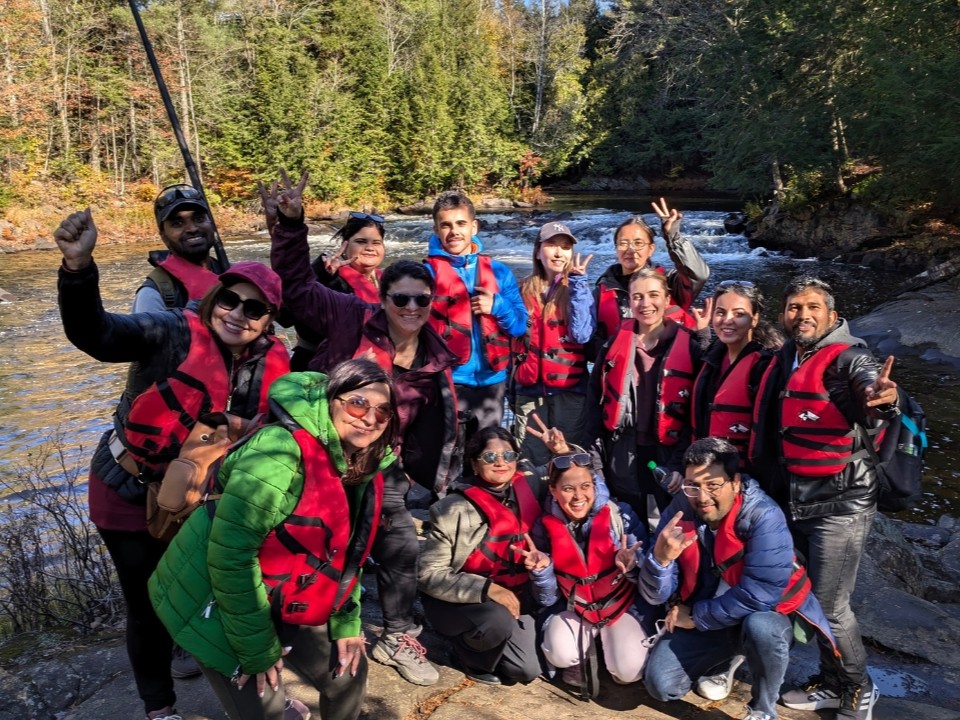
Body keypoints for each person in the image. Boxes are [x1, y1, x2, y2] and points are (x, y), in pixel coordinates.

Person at [54, 208, 289, 720]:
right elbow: (96, 334)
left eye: (254, 309)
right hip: (126, 488)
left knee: (217, 593)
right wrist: (77, 269)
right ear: (214, 298)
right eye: (229, 300)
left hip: (197, 498)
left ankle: (255, 699)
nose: (238, 314)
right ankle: (159, 709)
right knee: (146, 606)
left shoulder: (271, 363)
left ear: (268, 321)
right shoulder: (169, 330)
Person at [264, 170, 453, 686]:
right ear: (383, 298)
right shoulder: (350, 314)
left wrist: (429, 471)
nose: (411, 308)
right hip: (320, 455)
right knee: (307, 536)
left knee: (399, 542)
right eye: (401, 298)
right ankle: (279, 624)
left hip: (380, 463)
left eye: (420, 299)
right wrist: (290, 225)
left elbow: (433, 420)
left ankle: (397, 634)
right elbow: (297, 289)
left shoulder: (434, 353)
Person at [149, 359, 399, 720]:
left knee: (347, 674)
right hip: (215, 596)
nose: (370, 418)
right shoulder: (278, 452)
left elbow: (348, 554)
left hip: (284, 587)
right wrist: (258, 651)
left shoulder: (360, 463)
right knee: (265, 706)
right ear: (331, 400)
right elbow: (231, 557)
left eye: (383, 411)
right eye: (357, 403)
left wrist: (347, 621)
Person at [750, 276, 899, 720]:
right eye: (795, 307)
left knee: (831, 605)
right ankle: (831, 681)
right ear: (783, 315)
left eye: (813, 307)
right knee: (808, 598)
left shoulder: (850, 358)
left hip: (842, 502)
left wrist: (882, 399)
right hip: (797, 497)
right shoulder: (788, 357)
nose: (803, 315)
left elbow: (871, 390)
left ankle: (858, 687)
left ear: (833, 316)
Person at [640, 438, 837, 720]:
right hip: (712, 611)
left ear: (735, 483)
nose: (702, 497)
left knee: (761, 628)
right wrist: (660, 561)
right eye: (693, 485)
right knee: (661, 686)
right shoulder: (681, 508)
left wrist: (695, 616)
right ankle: (725, 658)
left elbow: (761, 594)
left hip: (761, 615)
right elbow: (656, 594)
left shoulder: (764, 515)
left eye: (713, 485)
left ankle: (763, 709)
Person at [418, 427, 547, 685]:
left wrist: (564, 452)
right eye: (489, 457)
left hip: (517, 596)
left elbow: (576, 480)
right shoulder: (450, 509)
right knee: (495, 622)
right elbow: (428, 575)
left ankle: (493, 643)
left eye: (508, 455)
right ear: (474, 464)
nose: (501, 462)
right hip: (461, 601)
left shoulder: (530, 484)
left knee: (526, 670)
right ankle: (466, 655)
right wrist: (487, 589)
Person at [581, 267, 706, 527]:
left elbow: (698, 414)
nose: (645, 304)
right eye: (637, 297)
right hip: (622, 453)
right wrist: (595, 464)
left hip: (670, 453)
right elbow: (593, 408)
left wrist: (681, 465)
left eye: (653, 295)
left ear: (667, 298)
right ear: (629, 301)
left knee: (675, 524)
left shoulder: (690, 347)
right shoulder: (612, 347)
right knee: (629, 524)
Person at [528, 451, 653, 697]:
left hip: (620, 608)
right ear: (553, 491)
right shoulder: (543, 527)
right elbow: (547, 599)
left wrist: (634, 566)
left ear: (595, 486)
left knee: (628, 672)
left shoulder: (620, 516)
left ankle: (610, 646)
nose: (578, 496)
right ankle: (584, 652)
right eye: (568, 489)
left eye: (586, 486)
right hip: (576, 609)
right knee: (560, 654)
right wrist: (542, 573)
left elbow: (651, 584)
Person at [425, 190, 528, 442]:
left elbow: (519, 326)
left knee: (487, 451)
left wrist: (498, 306)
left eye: (461, 223)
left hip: (492, 384)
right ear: (436, 230)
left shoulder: (499, 272)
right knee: (448, 455)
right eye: (446, 225)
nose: (454, 231)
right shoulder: (425, 274)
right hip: (447, 382)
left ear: (474, 227)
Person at [512, 222, 595, 466]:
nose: (559, 253)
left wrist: (578, 285)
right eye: (551, 245)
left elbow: (582, 334)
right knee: (529, 458)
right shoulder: (520, 289)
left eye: (565, 247)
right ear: (538, 251)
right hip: (528, 390)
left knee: (570, 458)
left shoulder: (579, 288)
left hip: (569, 391)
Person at [593, 197, 709, 345]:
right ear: (616, 248)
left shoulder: (669, 283)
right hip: (617, 357)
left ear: (651, 249)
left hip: (666, 357)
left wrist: (673, 237)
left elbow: (699, 275)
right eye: (623, 243)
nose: (631, 249)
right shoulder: (601, 290)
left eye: (638, 243)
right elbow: (589, 335)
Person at [691, 281, 783, 467]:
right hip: (704, 467)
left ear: (754, 319)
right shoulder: (711, 359)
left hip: (745, 472)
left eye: (739, 314)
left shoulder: (766, 367)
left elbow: (771, 434)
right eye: (720, 312)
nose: (727, 320)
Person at [289, 209, 386, 371]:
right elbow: (297, 300)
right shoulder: (326, 276)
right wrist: (323, 275)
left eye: (376, 242)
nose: (370, 247)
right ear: (345, 245)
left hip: (371, 367)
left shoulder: (388, 282)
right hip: (319, 367)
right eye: (361, 241)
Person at [134, 184, 223, 313]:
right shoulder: (152, 296)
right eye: (177, 224)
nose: (192, 228)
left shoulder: (234, 274)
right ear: (164, 236)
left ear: (212, 225)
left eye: (199, 219)